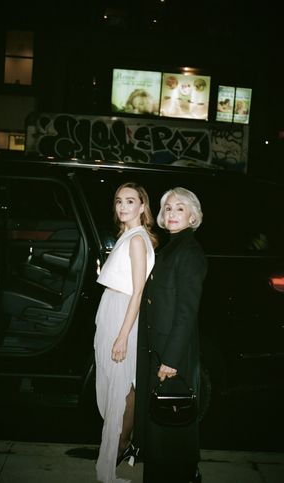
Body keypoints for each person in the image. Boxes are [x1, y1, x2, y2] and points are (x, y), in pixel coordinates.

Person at [134, 187, 208, 483]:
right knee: (160, 430)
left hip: (172, 357)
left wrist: (172, 359)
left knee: (173, 428)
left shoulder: (189, 252)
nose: (171, 213)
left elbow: (187, 312)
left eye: (180, 208)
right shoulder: (169, 249)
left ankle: (184, 476)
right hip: (160, 351)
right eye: (167, 208)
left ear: (193, 216)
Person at [94, 181, 158, 483]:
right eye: (119, 201)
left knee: (120, 392)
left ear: (143, 206)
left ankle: (108, 470)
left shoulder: (136, 240)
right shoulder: (128, 236)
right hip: (114, 311)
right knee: (114, 390)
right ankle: (110, 463)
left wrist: (122, 336)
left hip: (122, 315)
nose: (123, 206)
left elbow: (137, 292)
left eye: (130, 201)